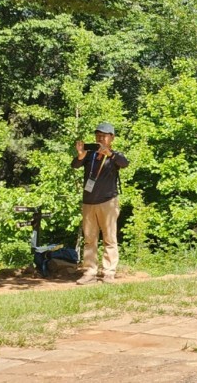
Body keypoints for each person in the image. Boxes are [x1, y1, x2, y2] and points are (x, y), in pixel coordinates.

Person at [72, 122, 130, 285]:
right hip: (89, 202)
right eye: (98, 136)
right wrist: (80, 155)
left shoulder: (115, 155)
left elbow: (125, 163)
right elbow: (75, 165)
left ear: (112, 138)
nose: (100, 139)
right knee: (89, 239)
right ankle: (89, 272)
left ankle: (109, 272)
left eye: (104, 136)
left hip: (108, 202)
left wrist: (109, 154)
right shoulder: (89, 155)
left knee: (109, 238)